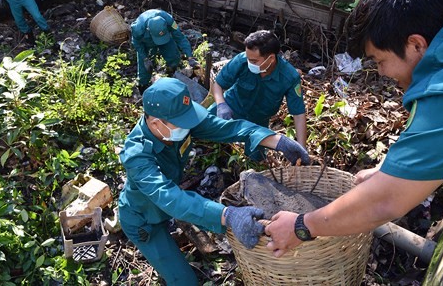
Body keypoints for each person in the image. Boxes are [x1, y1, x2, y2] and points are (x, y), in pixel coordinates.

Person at [264, 0, 443, 258]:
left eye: (379, 61)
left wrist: (301, 225)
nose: (382, 72)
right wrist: (390, 171)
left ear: (415, 44)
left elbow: (386, 201)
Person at [117, 77, 309, 285]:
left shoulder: (178, 124)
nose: (187, 126)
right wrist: (228, 215)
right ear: (156, 123)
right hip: (144, 219)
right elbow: (170, 197)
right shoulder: (137, 155)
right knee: (184, 280)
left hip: (167, 208)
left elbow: (227, 128)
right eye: (182, 123)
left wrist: (276, 141)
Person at [209, 30, 307, 160]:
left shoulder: (289, 77)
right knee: (200, 126)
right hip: (232, 105)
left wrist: (301, 148)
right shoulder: (242, 61)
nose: (250, 63)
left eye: (254, 61)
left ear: (271, 58)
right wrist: (221, 104)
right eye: (248, 58)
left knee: (256, 158)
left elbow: (298, 114)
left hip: (258, 120)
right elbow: (218, 84)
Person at [130, 9, 200, 93]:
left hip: (166, 39)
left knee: (173, 55)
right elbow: (137, 44)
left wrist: (190, 57)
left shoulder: (169, 20)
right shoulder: (138, 29)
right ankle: (143, 86)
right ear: (148, 29)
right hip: (147, 42)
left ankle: (171, 73)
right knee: (145, 68)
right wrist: (145, 59)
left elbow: (180, 37)